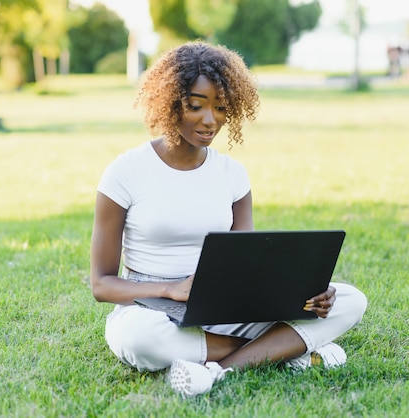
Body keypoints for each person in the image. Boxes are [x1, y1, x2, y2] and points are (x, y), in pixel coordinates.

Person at [90, 41, 368, 397]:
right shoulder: (125, 172)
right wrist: (168, 290)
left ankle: (219, 370)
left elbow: (246, 266)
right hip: (150, 306)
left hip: (222, 306)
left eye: (221, 108)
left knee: (349, 300)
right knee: (136, 339)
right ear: (171, 102)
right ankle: (282, 351)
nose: (210, 120)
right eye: (196, 106)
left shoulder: (232, 175)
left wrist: (305, 294)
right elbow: (102, 284)